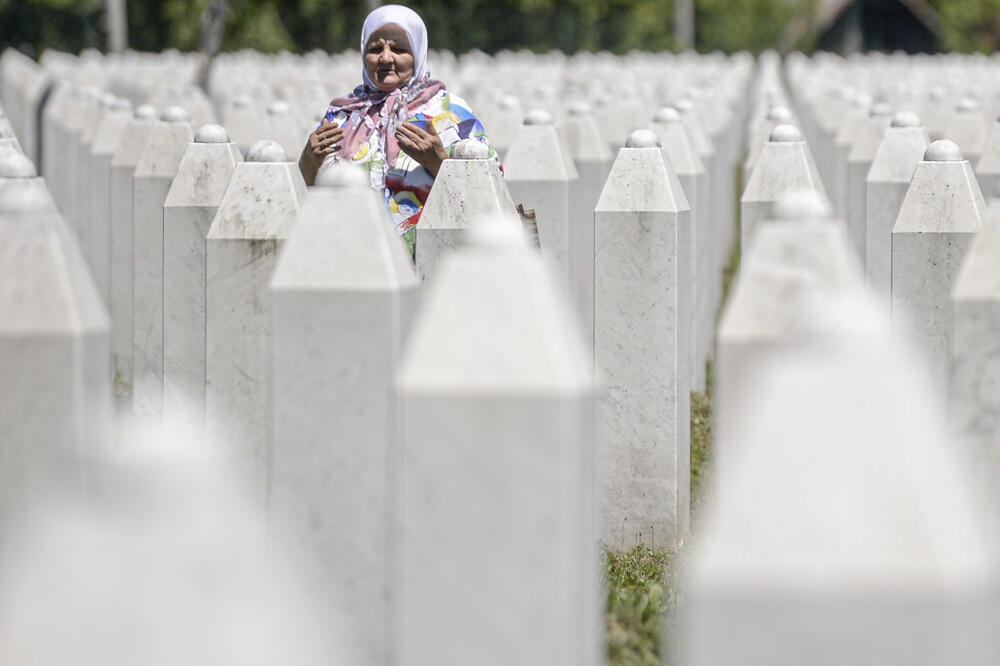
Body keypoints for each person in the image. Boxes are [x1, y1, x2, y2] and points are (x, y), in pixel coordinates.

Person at [299, 4, 497, 254]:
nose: (385, 58)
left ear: (418, 52)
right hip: (347, 256)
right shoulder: (341, 115)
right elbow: (308, 189)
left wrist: (438, 162)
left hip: (428, 259)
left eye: (399, 48)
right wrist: (308, 160)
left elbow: (491, 192)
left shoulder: (450, 112)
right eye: (375, 49)